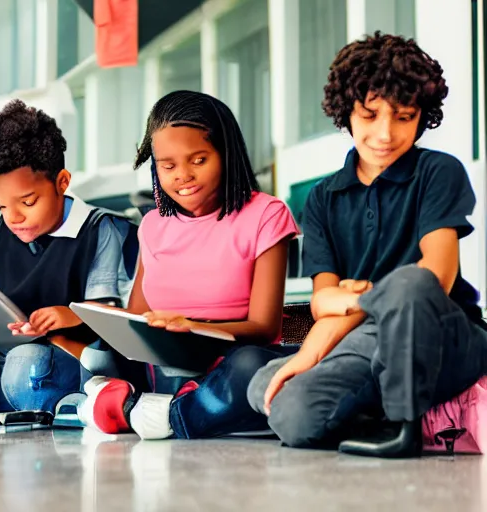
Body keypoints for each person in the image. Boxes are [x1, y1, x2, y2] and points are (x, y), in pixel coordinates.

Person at [247, 32, 487, 458]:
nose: (385, 134)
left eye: (404, 116)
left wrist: (357, 297)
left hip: (439, 332)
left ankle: (405, 423)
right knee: (274, 394)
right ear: (347, 113)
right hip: (361, 338)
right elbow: (322, 303)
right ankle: (406, 414)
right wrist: (313, 350)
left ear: (422, 116)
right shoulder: (324, 198)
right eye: (370, 114)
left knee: (410, 285)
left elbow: (437, 275)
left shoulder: (437, 171)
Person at [77, 90, 299, 439]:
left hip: (227, 359)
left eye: (198, 160)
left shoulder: (266, 214)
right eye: (168, 165)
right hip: (162, 362)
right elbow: (138, 318)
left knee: (252, 368)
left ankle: (166, 414)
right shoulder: (152, 225)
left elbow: (266, 325)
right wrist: (110, 322)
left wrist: (193, 324)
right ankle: (146, 406)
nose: (182, 175)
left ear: (225, 154)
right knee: (97, 354)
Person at [0, 100, 138, 413]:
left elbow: (113, 315)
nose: (14, 217)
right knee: (15, 367)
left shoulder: (100, 229)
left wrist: (69, 314)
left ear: (62, 182)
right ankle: (44, 404)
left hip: (73, 358)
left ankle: (83, 400)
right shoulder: (1, 233)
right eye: (2, 205)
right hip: (9, 356)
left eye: (28, 201)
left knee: (27, 367)